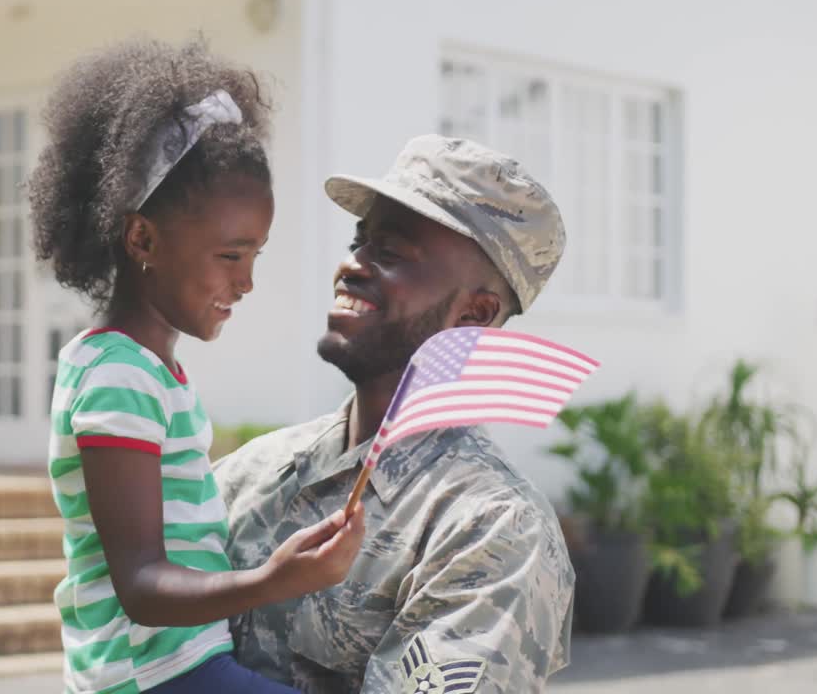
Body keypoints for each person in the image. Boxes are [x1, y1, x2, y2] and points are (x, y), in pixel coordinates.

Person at [27, 37, 365, 694]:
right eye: (230, 256)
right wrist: (275, 581)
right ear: (143, 238)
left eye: (256, 257)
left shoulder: (150, 372)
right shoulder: (116, 376)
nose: (246, 283)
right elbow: (142, 588)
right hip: (155, 677)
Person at [215, 134, 575, 694]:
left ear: (474, 314)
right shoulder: (247, 475)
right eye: (360, 240)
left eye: (391, 252)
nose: (351, 266)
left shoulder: (492, 527)